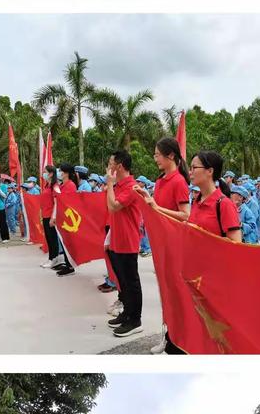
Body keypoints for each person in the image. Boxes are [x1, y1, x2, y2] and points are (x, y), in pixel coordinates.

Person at [134, 137, 191, 354]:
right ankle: (168, 337)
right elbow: (156, 210)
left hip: (175, 246)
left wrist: (156, 207)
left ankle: (179, 341)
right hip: (162, 246)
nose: (155, 157)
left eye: (158, 154)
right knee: (166, 294)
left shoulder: (178, 182)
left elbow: (185, 216)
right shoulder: (160, 181)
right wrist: (148, 197)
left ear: (171, 156)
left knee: (177, 295)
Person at [105, 150, 144, 337]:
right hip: (116, 240)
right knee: (122, 281)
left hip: (127, 241)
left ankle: (135, 319)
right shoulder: (119, 185)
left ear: (119, 166)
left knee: (131, 282)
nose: (108, 167)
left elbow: (113, 206)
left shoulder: (131, 187)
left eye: (110, 163)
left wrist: (110, 185)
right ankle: (127, 313)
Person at [188, 151, 242, 242]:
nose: (190, 172)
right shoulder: (196, 201)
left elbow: (236, 243)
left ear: (210, 171)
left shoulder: (225, 204)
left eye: (194, 168)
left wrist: (200, 233)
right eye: (190, 168)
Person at [52, 164, 78, 277]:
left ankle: (70, 266)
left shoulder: (71, 185)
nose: (59, 172)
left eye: (60, 171)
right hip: (61, 216)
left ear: (66, 173)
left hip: (68, 218)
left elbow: (69, 203)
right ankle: (67, 263)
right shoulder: (63, 185)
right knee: (64, 241)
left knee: (68, 242)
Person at [40, 165, 64, 269]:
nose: (43, 174)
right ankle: (53, 258)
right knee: (49, 238)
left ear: (51, 173)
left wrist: (53, 217)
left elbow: (57, 202)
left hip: (51, 216)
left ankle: (53, 258)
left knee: (52, 238)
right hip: (45, 215)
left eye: (45, 172)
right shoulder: (47, 185)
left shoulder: (55, 186)